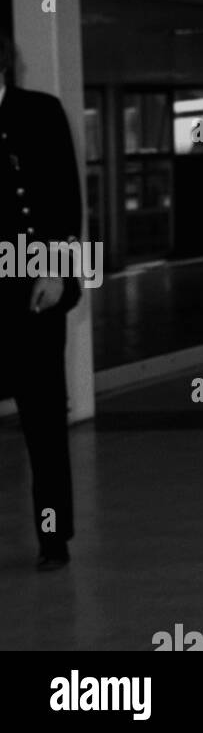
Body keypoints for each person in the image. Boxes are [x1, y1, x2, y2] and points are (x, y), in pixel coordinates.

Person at [0, 33, 83, 571]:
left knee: (43, 419)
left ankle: (54, 537)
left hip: (33, 284)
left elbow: (64, 198)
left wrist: (57, 269)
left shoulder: (39, 112)